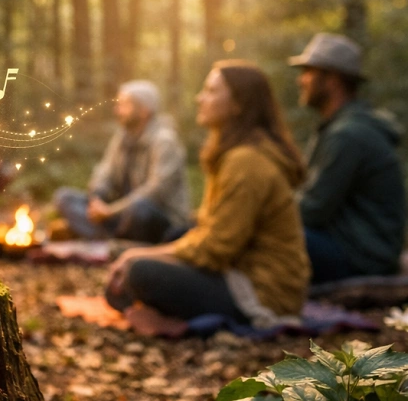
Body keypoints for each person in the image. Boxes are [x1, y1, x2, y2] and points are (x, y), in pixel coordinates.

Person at [105, 61, 310, 335]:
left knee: (140, 273)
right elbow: (210, 231)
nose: (200, 98)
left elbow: (216, 248)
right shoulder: (237, 154)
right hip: (239, 270)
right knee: (174, 237)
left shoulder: (247, 161)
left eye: (211, 91)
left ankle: (171, 322)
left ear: (238, 104)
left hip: (262, 293)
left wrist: (137, 255)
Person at [289, 32, 406, 284]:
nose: (301, 81)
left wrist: (262, 210)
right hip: (361, 248)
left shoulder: (348, 135)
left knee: (270, 234)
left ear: (331, 80)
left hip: (363, 257)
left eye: (308, 72)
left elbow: (312, 210)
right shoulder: (342, 127)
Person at [53, 80, 190, 243]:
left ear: (144, 111)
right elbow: (105, 172)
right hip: (120, 214)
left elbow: (154, 193)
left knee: (140, 211)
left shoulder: (165, 141)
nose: (117, 110)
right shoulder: (122, 137)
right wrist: (96, 198)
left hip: (156, 218)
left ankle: (105, 237)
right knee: (64, 197)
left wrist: (111, 211)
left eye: (125, 105)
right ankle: (115, 238)